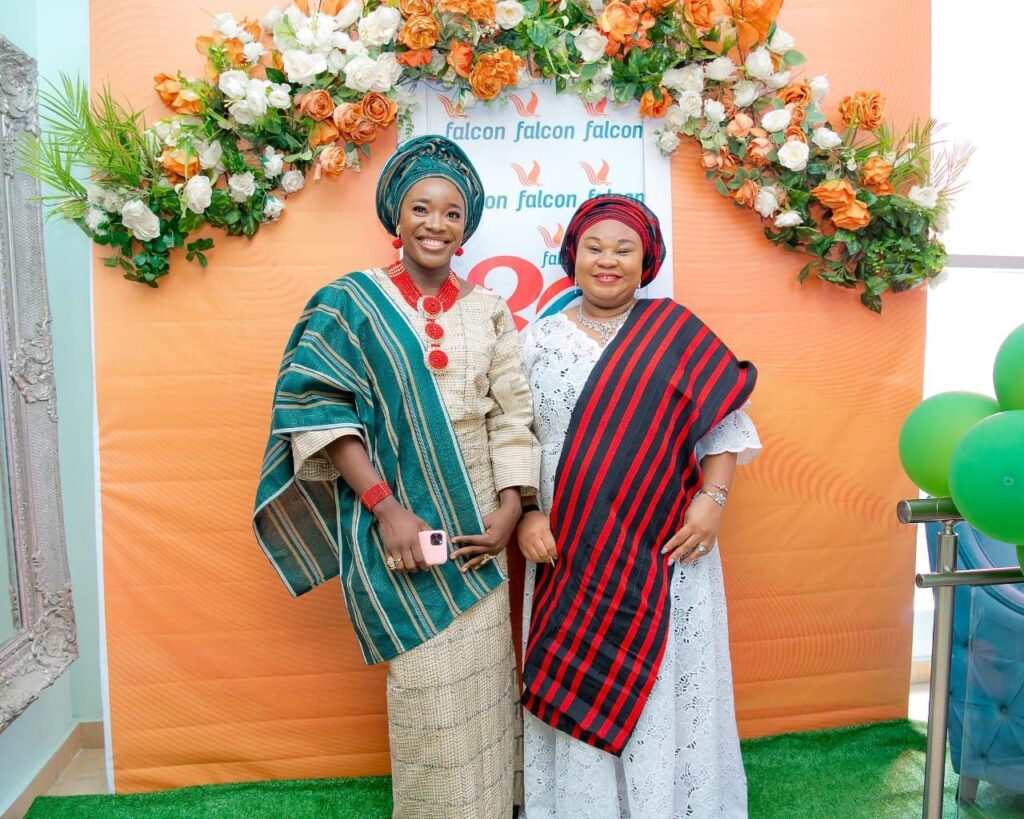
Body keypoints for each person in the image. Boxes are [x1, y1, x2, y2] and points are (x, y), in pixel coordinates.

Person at [253, 135, 539, 818]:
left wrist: (510, 508)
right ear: (396, 216)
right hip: (399, 506)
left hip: (476, 517)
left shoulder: (488, 309)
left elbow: (512, 415)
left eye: (451, 213)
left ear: (466, 226)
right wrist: (386, 509)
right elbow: (318, 409)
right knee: (427, 683)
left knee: (484, 681)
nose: (436, 224)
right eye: (421, 208)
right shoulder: (351, 301)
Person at [517, 195, 761, 818]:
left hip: (663, 547)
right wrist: (527, 511)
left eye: (624, 249)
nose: (608, 261)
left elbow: (726, 428)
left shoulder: (675, 332)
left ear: (646, 260)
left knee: (658, 680)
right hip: (569, 547)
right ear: (572, 256)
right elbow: (513, 437)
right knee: (580, 671)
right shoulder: (536, 340)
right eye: (594, 248)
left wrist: (711, 501)